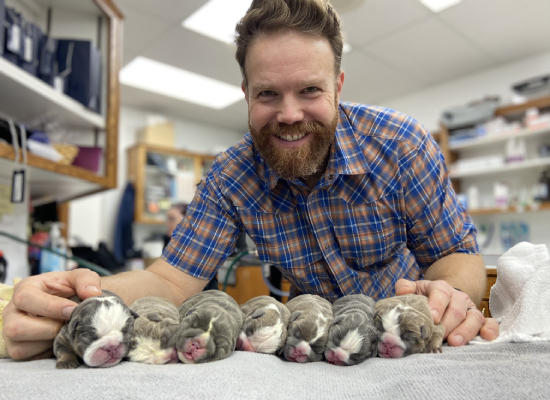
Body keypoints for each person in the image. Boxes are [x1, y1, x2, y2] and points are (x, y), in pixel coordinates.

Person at [2, 0, 499, 361]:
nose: (288, 115)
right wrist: (78, 298)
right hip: (318, 348)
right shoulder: (229, 176)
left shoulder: (401, 144)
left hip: (406, 339)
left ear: (338, 86)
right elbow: (169, 279)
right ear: (245, 93)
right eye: (267, 94)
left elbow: (455, 254)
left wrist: (449, 293)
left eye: (309, 90)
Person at [164, 203, 218, 291]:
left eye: (172, 219)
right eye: (168, 219)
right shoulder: (170, 244)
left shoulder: (199, 247)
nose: (167, 224)